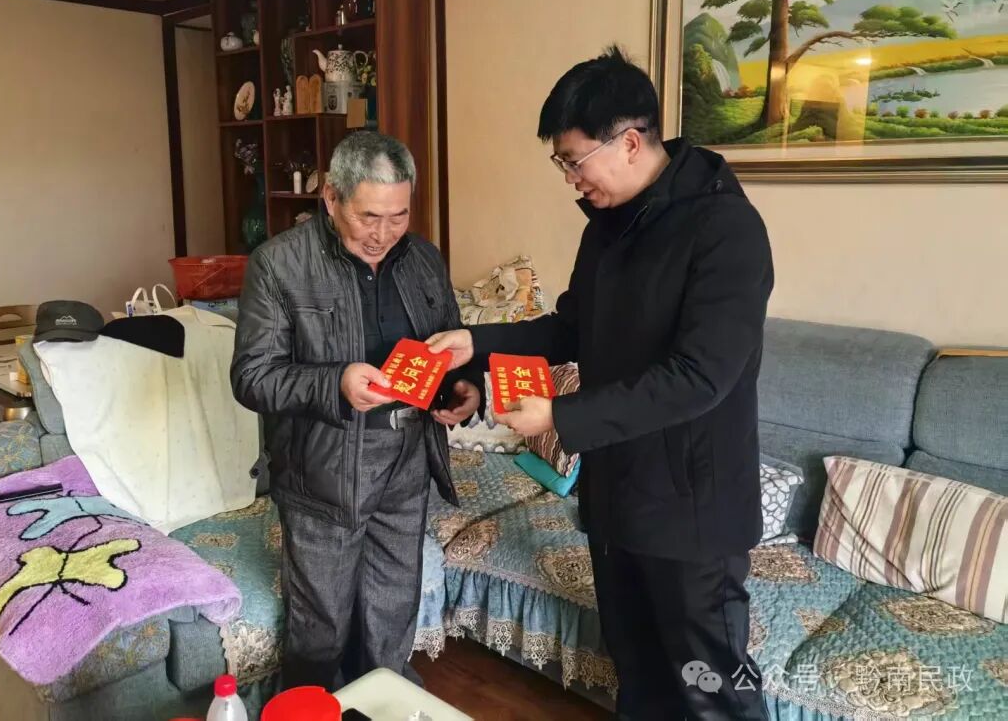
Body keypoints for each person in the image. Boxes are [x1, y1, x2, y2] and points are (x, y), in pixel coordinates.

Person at [428, 46, 773, 720]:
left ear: (630, 142)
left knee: (712, 695)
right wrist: (476, 345)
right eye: (561, 163)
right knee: (636, 678)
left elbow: (699, 377)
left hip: (692, 514)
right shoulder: (610, 228)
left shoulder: (726, 229)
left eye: (573, 160)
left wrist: (560, 417)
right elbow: (571, 330)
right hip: (617, 496)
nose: (570, 178)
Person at [231, 131, 484, 691]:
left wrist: (464, 389)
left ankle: (382, 702)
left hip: (409, 458)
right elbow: (252, 377)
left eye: (398, 216)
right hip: (322, 468)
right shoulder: (279, 264)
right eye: (369, 216)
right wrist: (334, 382)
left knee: (392, 614)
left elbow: (446, 347)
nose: (383, 234)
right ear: (331, 197)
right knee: (320, 629)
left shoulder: (422, 259)